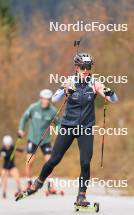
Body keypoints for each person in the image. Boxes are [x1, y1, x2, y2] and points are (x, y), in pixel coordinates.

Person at [19, 52, 118, 205]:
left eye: (89, 66)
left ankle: (81, 196)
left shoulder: (94, 82)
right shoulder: (69, 81)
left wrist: (110, 93)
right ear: (77, 67)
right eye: (83, 66)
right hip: (68, 127)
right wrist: (67, 91)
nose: (86, 69)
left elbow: (113, 99)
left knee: (85, 162)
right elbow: (54, 98)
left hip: (86, 128)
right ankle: (37, 183)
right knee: (54, 159)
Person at [18, 89, 59, 194]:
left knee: (49, 161)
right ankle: (28, 182)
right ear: (40, 98)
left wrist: (59, 130)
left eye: (48, 99)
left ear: (50, 100)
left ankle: (50, 185)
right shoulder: (33, 108)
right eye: (44, 99)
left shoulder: (53, 111)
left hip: (45, 140)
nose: (46, 101)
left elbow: (58, 123)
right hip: (33, 138)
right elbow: (24, 118)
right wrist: (21, 129)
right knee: (29, 161)